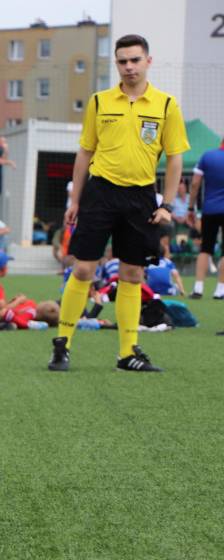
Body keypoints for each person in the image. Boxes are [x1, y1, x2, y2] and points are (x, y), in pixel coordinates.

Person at [48, 34, 189, 373]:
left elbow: (174, 160)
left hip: (141, 197)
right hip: (100, 193)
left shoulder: (166, 105)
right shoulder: (99, 101)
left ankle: (128, 353)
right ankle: (62, 345)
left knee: (133, 272)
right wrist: (75, 199)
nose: (128, 67)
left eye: (135, 60)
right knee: (82, 268)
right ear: (117, 64)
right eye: (122, 61)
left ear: (148, 62)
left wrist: (166, 205)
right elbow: (85, 152)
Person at [188, 136, 224, 299]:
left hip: (209, 209)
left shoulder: (207, 156)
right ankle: (220, 290)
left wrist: (191, 207)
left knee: (205, 249)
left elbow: (195, 183)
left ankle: (198, 288)